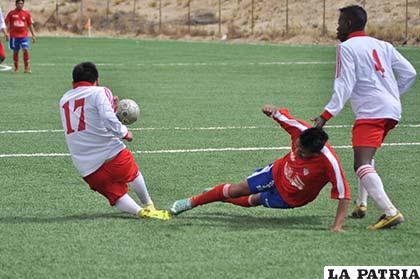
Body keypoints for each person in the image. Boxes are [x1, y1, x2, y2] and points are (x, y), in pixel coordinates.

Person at [313, 5, 416, 230]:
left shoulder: (347, 48)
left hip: (372, 112)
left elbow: (344, 84)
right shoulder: (383, 45)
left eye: (340, 23)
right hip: (391, 110)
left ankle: (390, 212)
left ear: (349, 23)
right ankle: (361, 204)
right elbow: (410, 73)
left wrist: (325, 116)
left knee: (360, 163)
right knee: (366, 156)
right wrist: (392, 95)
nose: (337, 27)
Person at [171, 105, 351, 232]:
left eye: (303, 153)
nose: (297, 151)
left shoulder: (330, 163)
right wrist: (271, 110)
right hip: (278, 171)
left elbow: (344, 195)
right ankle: (191, 202)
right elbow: (280, 115)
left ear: (316, 153)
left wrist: (337, 225)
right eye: (297, 146)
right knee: (236, 189)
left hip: (292, 197)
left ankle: (218, 197)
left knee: (254, 200)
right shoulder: (301, 130)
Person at [59, 62, 170, 220]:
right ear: (97, 80)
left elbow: (90, 119)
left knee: (116, 195)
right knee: (132, 173)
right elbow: (107, 117)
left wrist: (110, 108)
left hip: (86, 168)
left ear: (73, 83)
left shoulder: (64, 99)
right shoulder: (100, 91)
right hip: (111, 154)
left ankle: (140, 212)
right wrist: (125, 132)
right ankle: (149, 205)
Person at [5, 0, 36, 73]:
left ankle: (26, 68)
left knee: (25, 49)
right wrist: (6, 33)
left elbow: (30, 24)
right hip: (14, 37)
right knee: (15, 51)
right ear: (16, 4)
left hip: (24, 36)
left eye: (22, 3)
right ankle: (16, 68)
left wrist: (33, 35)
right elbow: (6, 23)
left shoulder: (26, 14)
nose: (20, 5)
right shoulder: (11, 13)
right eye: (19, 3)